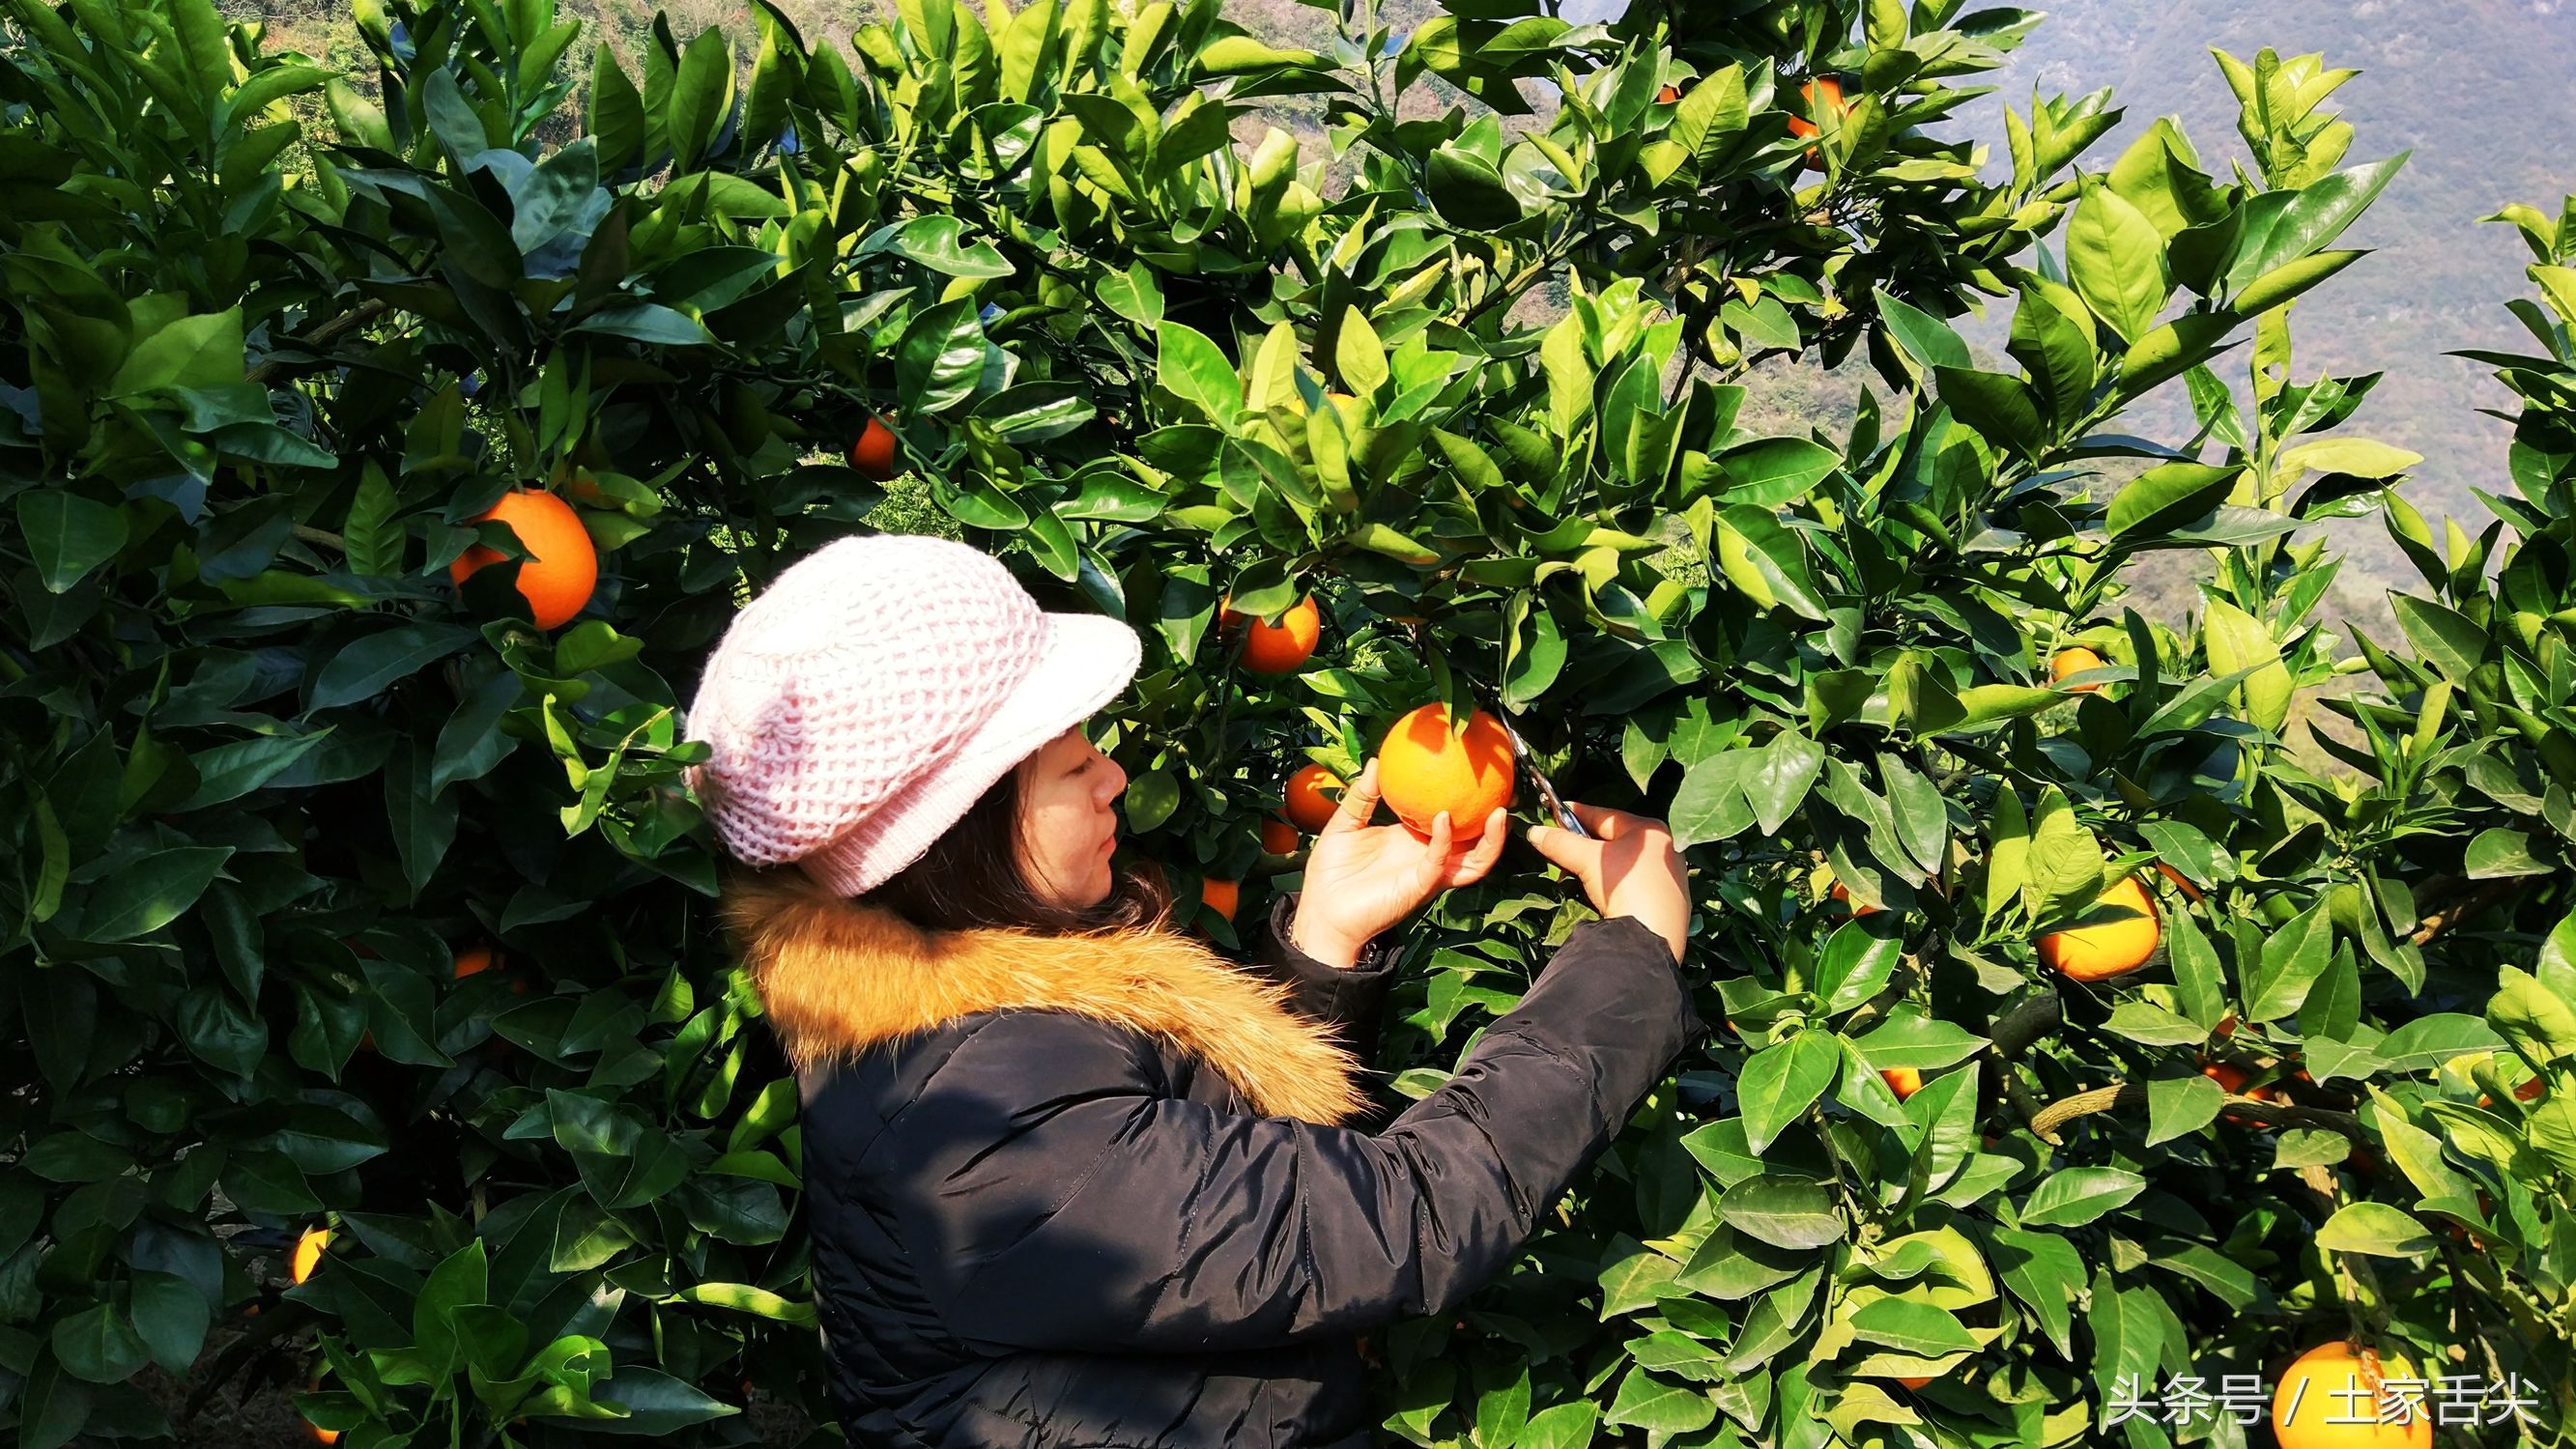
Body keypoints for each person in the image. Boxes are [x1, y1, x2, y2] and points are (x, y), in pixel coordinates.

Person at [685, 533, 1703, 1449]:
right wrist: (1632, 953)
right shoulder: (973, 1128)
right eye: (1073, 762)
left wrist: (1323, 943)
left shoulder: (974, 1028)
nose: (1113, 777)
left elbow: (1210, 1186)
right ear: (955, 833)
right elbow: (1407, 1219)